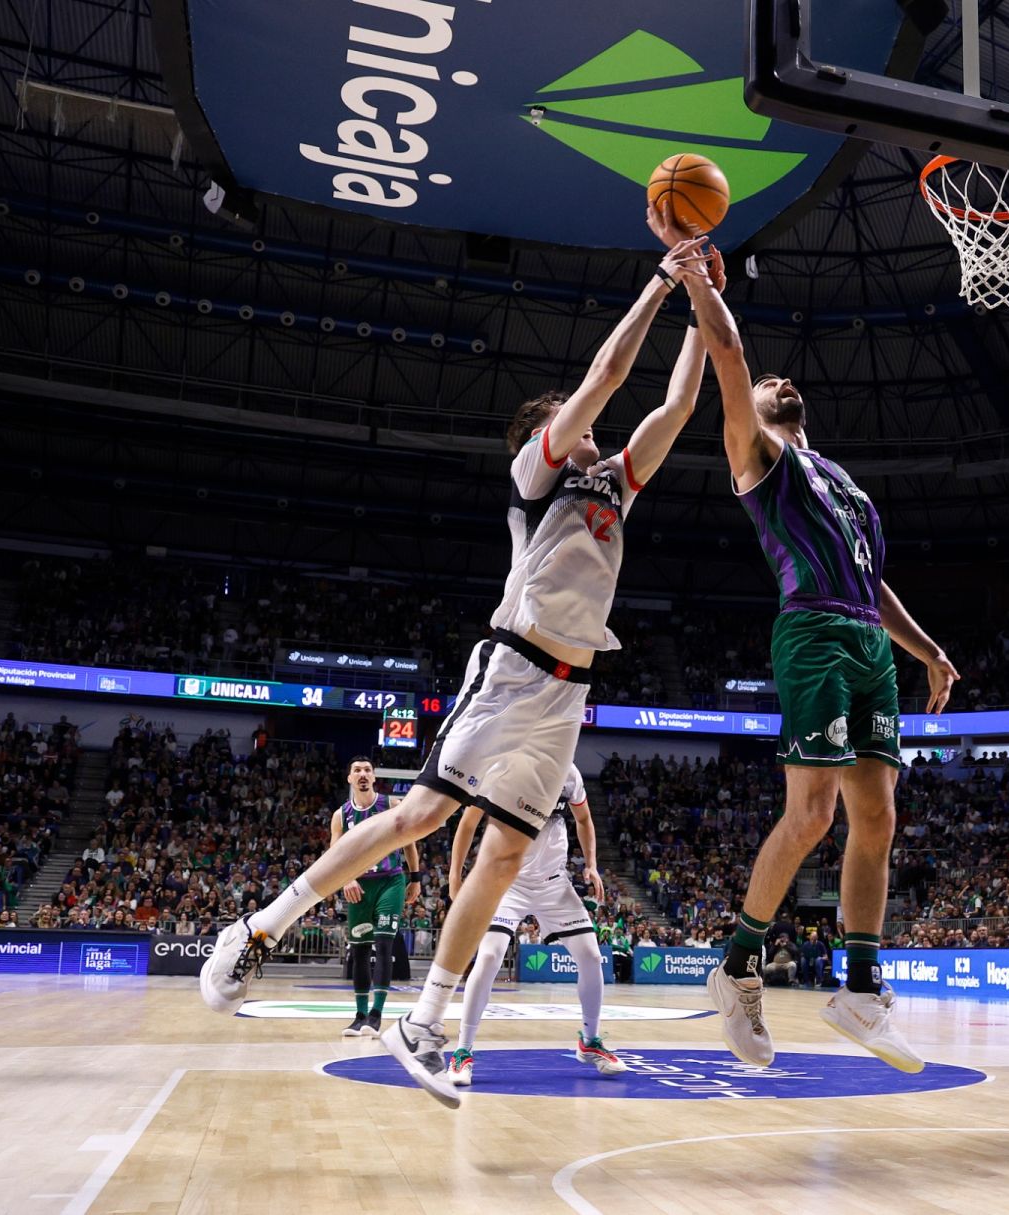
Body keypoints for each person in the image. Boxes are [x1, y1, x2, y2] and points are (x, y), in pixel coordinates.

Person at [198, 221, 714, 1110]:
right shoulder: (534, 473)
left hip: (568, 694)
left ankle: (423, 1022)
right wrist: (663, 285)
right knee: (419, 816)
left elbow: (672, 411)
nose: (582, 423)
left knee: (509, 851)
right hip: (512, 667)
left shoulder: (613, 485)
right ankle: (259, 926)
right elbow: (608, 380)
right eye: (567, 417)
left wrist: (707, 301)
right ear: (545, 431)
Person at [680, 228, 958, 1074]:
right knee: (814, 815)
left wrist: (929, 651)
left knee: (878, 816)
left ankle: (862, 987)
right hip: (811, 632)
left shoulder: (845, 481)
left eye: (783, 380)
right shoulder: (757, 458)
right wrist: (699, 283)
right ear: (753, 412)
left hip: (869, 639)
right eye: (771, 382)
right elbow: (728, 352)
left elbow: (875, 584)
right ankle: (737, 967)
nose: (781, 380)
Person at [446, 763, 625, 1086]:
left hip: (554, 884)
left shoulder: (569, 773)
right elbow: (468, 822)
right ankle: (462, 1052)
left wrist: (592, 865)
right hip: (506, 881)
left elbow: (584, 819)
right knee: (487, 958)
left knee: (591, 956)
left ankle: (590, 1040)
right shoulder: (502, 767)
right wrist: (454, 877)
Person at [328, 757, 421, 1038]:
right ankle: (359, 1015)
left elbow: (409, 842)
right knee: (359, 951)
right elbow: (335, 855)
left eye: (367, 770)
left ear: (373, 777)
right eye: (357, 770)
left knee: (383, 944)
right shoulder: (340, 816)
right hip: (359, 886)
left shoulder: (391, 805)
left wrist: (415, 878)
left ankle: (376, 1015)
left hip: (390, 881)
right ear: (350, 779)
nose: (363, 774)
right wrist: (347, 879)